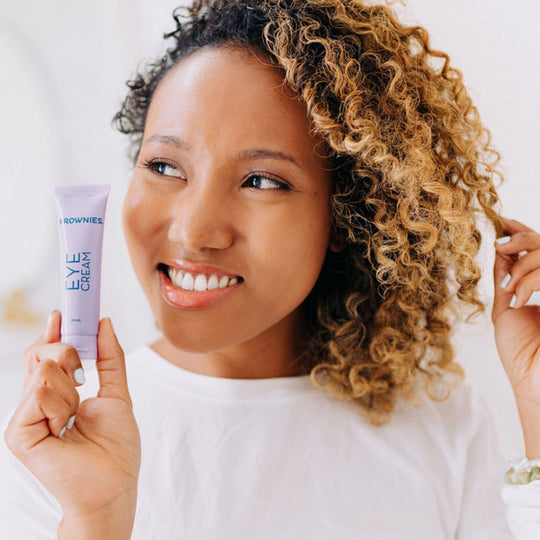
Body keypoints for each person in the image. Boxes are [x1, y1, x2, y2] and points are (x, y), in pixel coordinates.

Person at [1, 0, 540, 538]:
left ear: (345, 215)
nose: (194, 231)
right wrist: (96, 517)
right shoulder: (51, 436)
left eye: (261, 181)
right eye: (165, 166)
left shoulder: (441, 424)